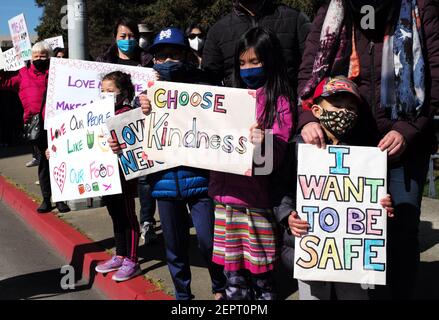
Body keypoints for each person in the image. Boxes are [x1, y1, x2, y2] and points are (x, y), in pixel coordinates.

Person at [297, 0, 439, 299]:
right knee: (351, 235)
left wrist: (407, 130)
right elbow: (310, 74)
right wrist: (308, 118)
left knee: (401, 230)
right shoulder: (332, 13)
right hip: (349, 146)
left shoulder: (421, 9)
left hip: (404, 148)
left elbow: (435, 78)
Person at [111, 27, 227, 300]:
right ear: (152, 60)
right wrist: (119, 145)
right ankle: (182, 297)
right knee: (174, 248)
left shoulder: (205, 89)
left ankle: (220, 289)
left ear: (186, 56)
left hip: (200, 183)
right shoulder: (144, 96)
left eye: (173, 55)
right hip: (162, 184)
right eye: (160, 57)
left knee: (209, 243)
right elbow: (129, 135)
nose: (166, 62)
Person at [274, 76, 394, 300]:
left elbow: (374, 197)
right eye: (337, 105)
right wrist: (287, 216)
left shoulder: (365, 157)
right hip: (310, 253)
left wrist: (383, 205)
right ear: (317, 110)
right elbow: (282, 190)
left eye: (350, 108)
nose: (343, 112)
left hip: (353, 261)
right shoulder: (299, 148)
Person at [207, 27, 294, 300]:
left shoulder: (279, 102)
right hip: (224, 201)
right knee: (233, 280)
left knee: (262, 278)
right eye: (242, 62)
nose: (247, 69)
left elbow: (276, 156)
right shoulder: (225, 98)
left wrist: (264, 142)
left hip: (256, 202)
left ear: (270, 60)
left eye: (255, 62)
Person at [0, 41, 70, 214]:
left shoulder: (56, 72)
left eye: (43, 56)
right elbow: (4, 83)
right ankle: (47, 199)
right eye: (36, 56)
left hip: (57, 124)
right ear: (31, 58)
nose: (39, 59)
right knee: (45, 162)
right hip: (36, 127)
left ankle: (61, 199)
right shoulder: (23, 75)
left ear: (49, 57)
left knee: (58, 161)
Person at [93, 71, 142, 282]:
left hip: (123, 176)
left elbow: (134, 143)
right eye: (102, 91)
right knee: (115, 215)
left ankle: (132, 260)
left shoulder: (127, 113)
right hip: (106, 176)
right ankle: (120, 254)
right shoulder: (97, 114)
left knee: (128, 216)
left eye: (110, 91)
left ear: (124, 93)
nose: (105, 94)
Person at [202, 0, 311, 89]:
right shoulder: (217, 31)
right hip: (237, 111)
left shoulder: (296, 20)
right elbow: (208, 83)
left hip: (288, 111)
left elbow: (311, 72)